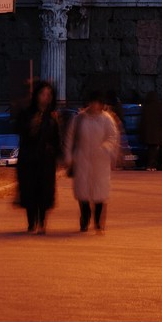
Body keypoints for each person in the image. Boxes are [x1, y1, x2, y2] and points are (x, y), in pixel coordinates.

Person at [65, 89, 119, 233]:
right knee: (82, 193)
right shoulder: (79, 119)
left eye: (98, 103)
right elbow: (70, 138)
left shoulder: (107, 119)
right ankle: (85, 217)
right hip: (82, 160)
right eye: (93, 102)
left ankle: (98, 222)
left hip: (100, 162)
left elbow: (112, 137)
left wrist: (105, 147)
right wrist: (69, 157)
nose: (95, 106)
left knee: (99, 194)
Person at [16, 81, 61, 234]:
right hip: (28, 159)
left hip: (46, 161)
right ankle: (31, 223)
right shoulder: (27, 113)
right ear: (36, 95)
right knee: (30, 190)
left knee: (44, 191)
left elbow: (57, 139)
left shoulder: (52, 116)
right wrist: (31, 125)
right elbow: (19, 130)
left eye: (48, 95)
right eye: (43, 94)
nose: (45, 98)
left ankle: (42, 221)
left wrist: (55, 151)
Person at [139, 90, 162, 170]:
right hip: (156, 134)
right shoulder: (159, 107)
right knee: (154, 150)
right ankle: (152, 165)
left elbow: (142, 121)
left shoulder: (145, 107)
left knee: (149, 149)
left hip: (147, 133)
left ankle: (149, 165)